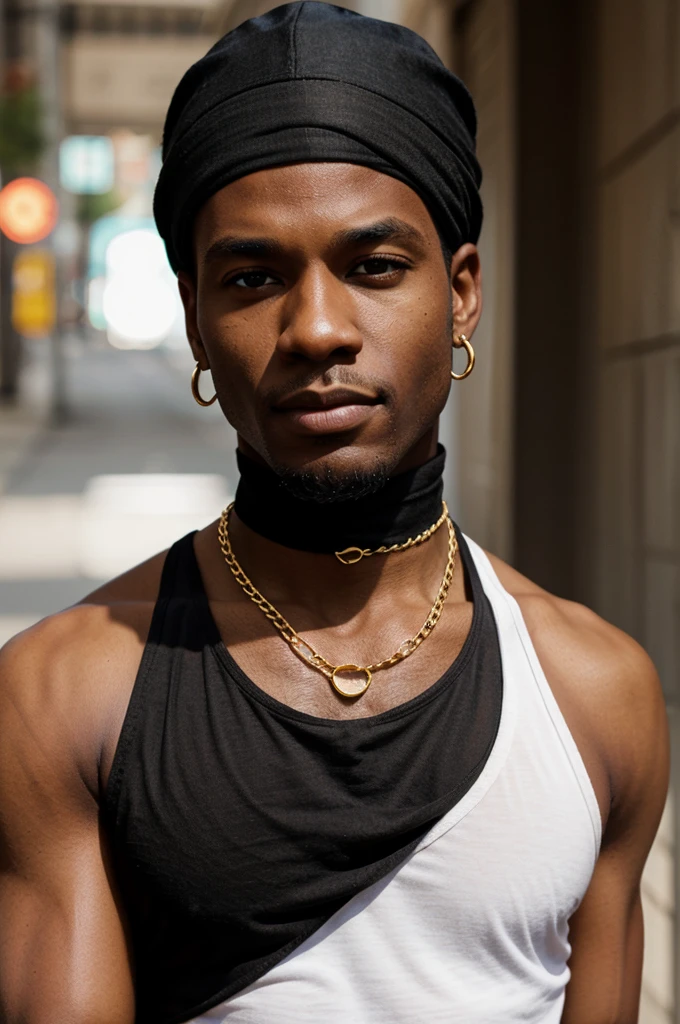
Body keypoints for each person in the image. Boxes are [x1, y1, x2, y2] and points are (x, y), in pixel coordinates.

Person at [0, 4, 669, 1023]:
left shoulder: (596, 698)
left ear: (460, 294)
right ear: (194, 319)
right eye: (253, 277)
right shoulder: (62, 698)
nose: (315, 328)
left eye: (372, 267)